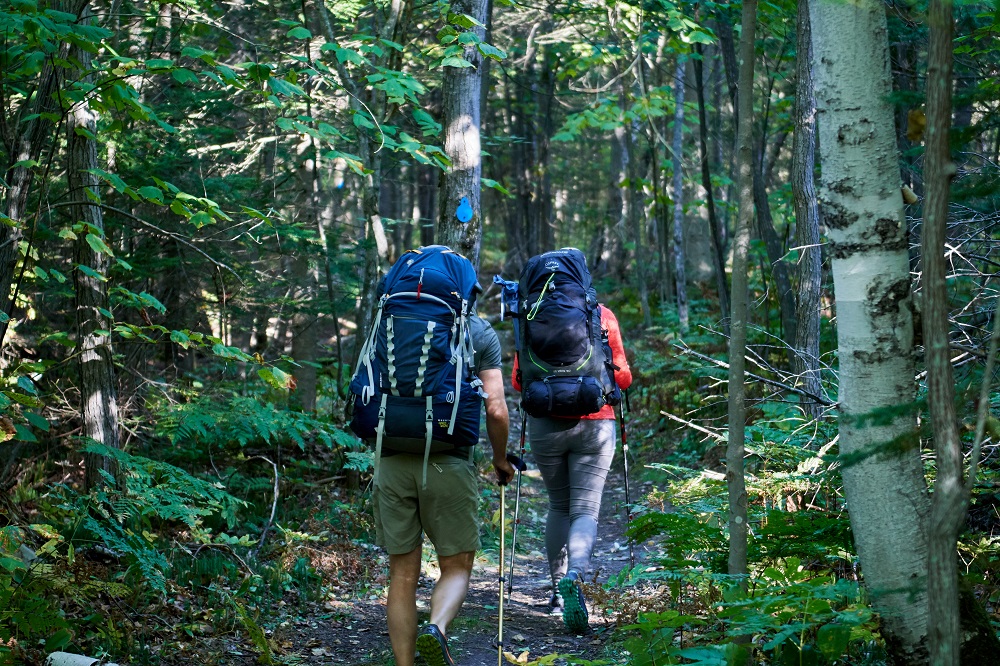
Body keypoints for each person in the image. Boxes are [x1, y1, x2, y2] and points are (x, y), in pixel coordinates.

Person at [374, 309, 516, 666]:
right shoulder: (479, 331)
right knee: (456, 566)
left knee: (403, 575)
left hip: (390, 459)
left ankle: (405, 664)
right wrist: (500, 460)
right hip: (447, 461)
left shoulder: (388, 321)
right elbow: (496, 409)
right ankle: (436, 628)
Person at [511, 301, 632, 634]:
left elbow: (519, 381)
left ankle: (557, 595)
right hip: (596, 425)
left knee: (558, 506)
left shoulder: (531, 314)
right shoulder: (603, 314)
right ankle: (575, 577)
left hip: (545, 424)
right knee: (585, 512)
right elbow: (623, 376)